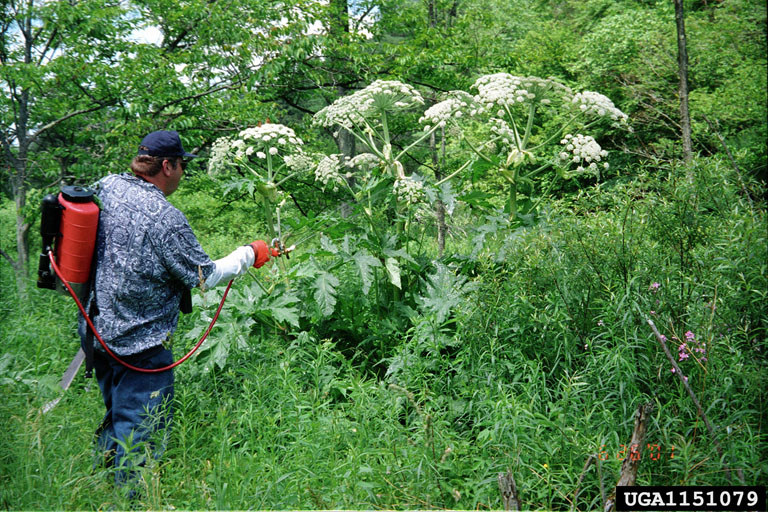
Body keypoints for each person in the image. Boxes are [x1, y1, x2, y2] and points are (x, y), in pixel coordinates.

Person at [81, 130, 277, 493]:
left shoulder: (108, 186)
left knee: (117, 416)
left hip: (96, 330)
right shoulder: (164, 217)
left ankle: (99, 487)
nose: (183, 172)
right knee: (140, 432)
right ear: (167, 165)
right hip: (141, 346)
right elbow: (204, 275)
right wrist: (251, 253)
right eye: (182, 165)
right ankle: (132, 499)